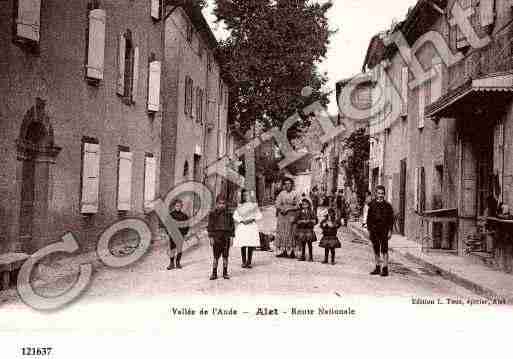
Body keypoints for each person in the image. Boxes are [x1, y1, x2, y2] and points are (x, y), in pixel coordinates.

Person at [367, 185, 394, 277]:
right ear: (376, 194)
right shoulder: (372, 204)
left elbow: (391, 219)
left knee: (384, 249)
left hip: (384, 230)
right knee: (376, 249)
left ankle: (385, 268)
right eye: (379, 193)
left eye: (382, 193)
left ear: (384, 194)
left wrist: (390, 231)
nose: (380, 195)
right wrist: (369, 230)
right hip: (374, 230)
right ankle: (377, 266)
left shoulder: (388, 206)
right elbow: (368, 218)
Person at [207, 195, 235, 280]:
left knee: (225, 256)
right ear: (216, 204)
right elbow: (210, 226)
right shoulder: (212, 214)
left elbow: (232, 226)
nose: (222, 205)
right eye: (220, 203)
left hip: (226, 237)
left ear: (226, 204)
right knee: (216, 257)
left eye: (223, 203)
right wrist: (211, 237)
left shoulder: (229, 214)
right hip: (216, 237)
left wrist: (231, 237)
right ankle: (214, 273)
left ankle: (225, 272)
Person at [233, 189, 262, 269]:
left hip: (251, 226)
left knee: (250, 243)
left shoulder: (253, 205)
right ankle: (243, 261)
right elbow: (236, 215)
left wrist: (252, 219)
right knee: (243, 243)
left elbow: (259, 215)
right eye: (244, 195)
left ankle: (249, 261)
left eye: (248, 195)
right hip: (243, 226)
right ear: (242, 197)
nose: (246, 197)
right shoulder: (240, 206)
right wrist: (242, 220)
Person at [275, 178, 300, 258]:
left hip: (291, 215)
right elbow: (277, 203)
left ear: (292, 185)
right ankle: (284, 251)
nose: (287, 185)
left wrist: (289, 208)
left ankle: (292, 251)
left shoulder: (295, 193)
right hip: (282, 216)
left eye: (289, 184)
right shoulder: (282, 193)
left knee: (291, 232)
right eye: (285, 184)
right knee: (282, 232)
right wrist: (281, 209)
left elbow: (298, 205)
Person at [167, 199, 190, 270]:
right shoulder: (170, 215)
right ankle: (171, 263)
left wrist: (185, 234)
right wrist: (169, 233)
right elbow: (167, 225)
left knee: (179, 249)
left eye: (180, 206)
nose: (178, 207)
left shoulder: (184, 216)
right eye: (177, 206)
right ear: (174, 206)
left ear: (181, 207)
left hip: (181, 235)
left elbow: (186, 226)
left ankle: (178, 262)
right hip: (173, 234)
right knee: (172, 249)